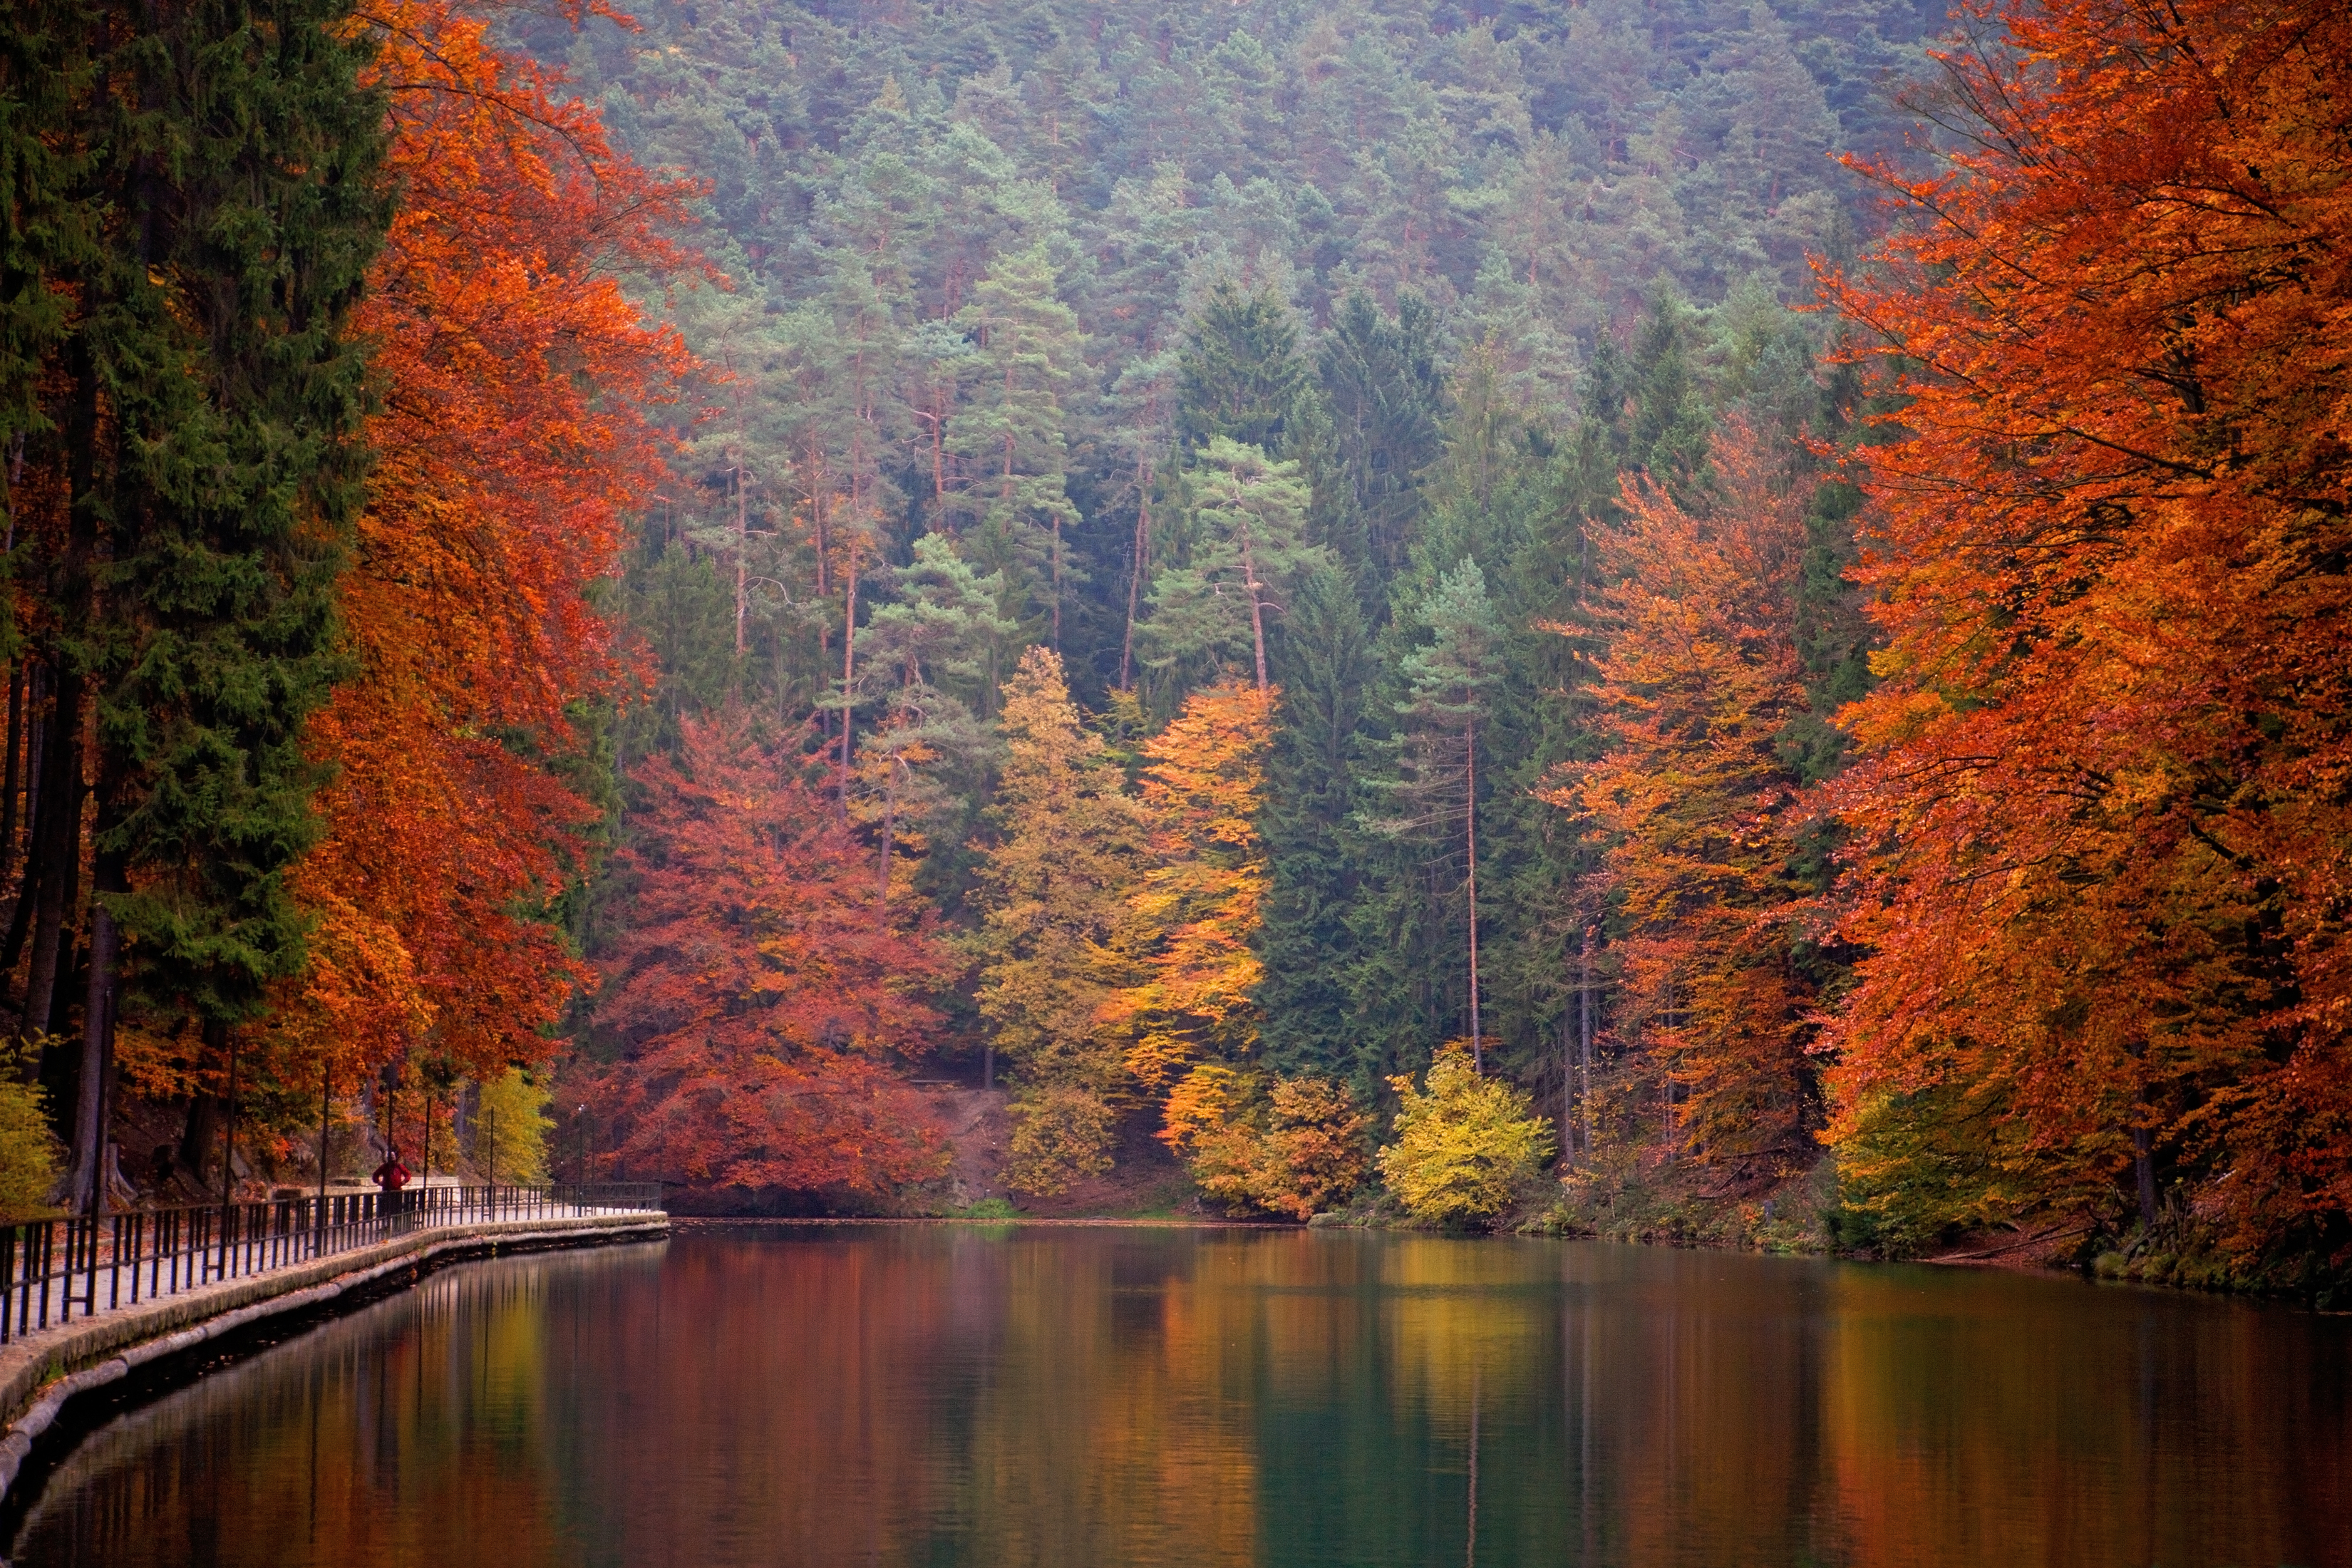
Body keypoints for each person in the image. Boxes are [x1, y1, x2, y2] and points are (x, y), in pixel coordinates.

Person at [372, 1147, 412, 1213]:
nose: (392, 1158)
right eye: (390, 1156)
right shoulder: (384, 1167)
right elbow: (375, 1175)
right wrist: (379, 1182)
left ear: (395, 1157)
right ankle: (386, 1220)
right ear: (388, 1158)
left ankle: (396, 1220)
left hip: (397, 1190)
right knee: (387, 1208)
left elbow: (408, 1174)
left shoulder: (399, 1166)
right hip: (386, 1190)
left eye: (393, 1156)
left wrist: (405, 1181)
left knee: (397, 1208)